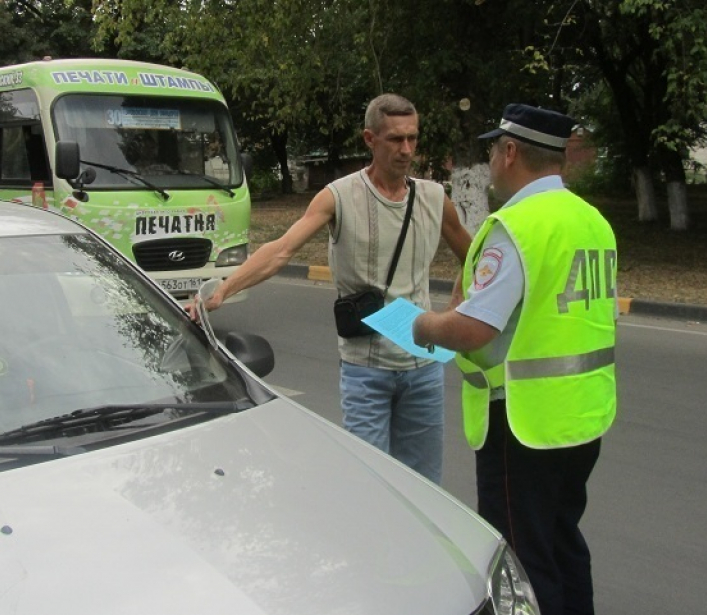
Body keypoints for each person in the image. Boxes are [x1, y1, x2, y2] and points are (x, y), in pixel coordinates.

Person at [193, 94, 471, 485]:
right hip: (366, 370)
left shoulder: (432, 197)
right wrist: (224, 288)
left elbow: (474, 255)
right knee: (367, 483)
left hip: (422, 369)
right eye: (395, 139)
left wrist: (456, 305)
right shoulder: (339, 196)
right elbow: (282, 250)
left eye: (413, 138)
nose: (406, 150)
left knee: (423, 488)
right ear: (369, 139)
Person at [412, 103, 617, 615]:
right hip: (581, 417)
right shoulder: (592, 221)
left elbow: (472, 327)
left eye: (491, 149)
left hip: (522, 423)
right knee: (563, 539)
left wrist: (419, 324)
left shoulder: (516, 226)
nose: (490, 160)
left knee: (524, 560)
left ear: (509, 152)